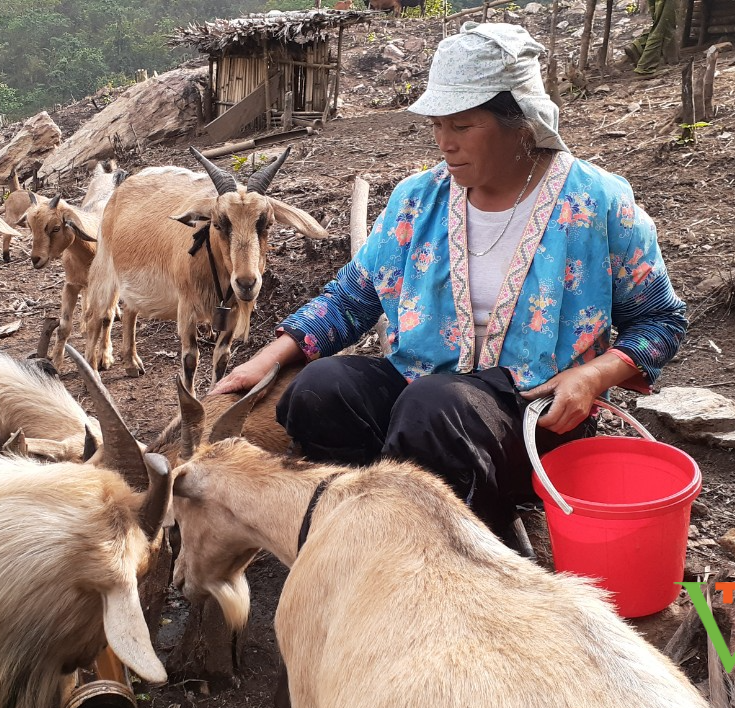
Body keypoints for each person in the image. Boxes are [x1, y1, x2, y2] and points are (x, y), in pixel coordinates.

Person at [211, 22, 687, 551]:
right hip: (422, 395)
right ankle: (375, 527)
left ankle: (451, 551)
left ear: (521, 122)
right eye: (437, 125)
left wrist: (595, 376)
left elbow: (660, 321)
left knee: (435, 409)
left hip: (534, 415)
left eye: (462, 124)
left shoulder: (596, 203)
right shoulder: (420, 198)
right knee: (318, 390)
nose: (445, 142)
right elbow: (355, 295)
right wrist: (267, 359)